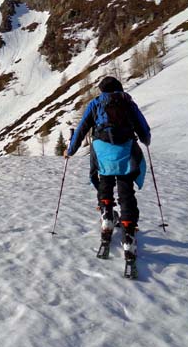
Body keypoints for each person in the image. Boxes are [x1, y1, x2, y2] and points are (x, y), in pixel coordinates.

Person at [63, 76, 151, 267]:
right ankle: (128, 234)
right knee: (126, 190)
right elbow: (143, 129)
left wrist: (70, 150)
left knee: (105, 180)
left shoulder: (96, 103)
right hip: (125, 150)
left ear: (102, 90)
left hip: (102, 151)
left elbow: (82, 129)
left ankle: (107, 215)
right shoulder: (128, 102)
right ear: (119, 88)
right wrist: (145, 140)